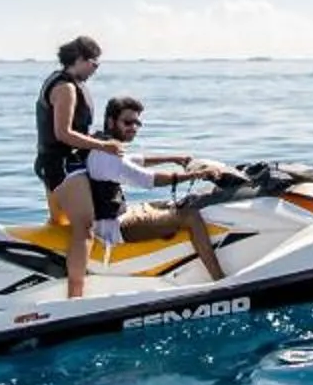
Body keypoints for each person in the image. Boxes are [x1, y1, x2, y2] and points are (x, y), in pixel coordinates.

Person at [80, 95, 232, 282]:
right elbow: (148, 180)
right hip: (113, 228)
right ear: (111, 122)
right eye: (127, 122)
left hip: (119, 215)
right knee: (191, 216)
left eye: (137, 123)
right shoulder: (106, 155)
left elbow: (134, 160)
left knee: (182, 202)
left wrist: (173, 158)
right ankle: (219, 279)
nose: (133, 128)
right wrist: (195, 175)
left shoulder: (104, 144)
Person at [36, 35, 115, 297]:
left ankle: (51, 281)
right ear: (80, 59)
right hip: (63, 165)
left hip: (50, 164)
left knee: (60, 224)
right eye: (94, 62)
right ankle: (76, 296)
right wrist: (103, 146)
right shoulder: (66, 88)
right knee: (84, 227)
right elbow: (63, 133)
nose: (96, 68)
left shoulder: (59, 81)